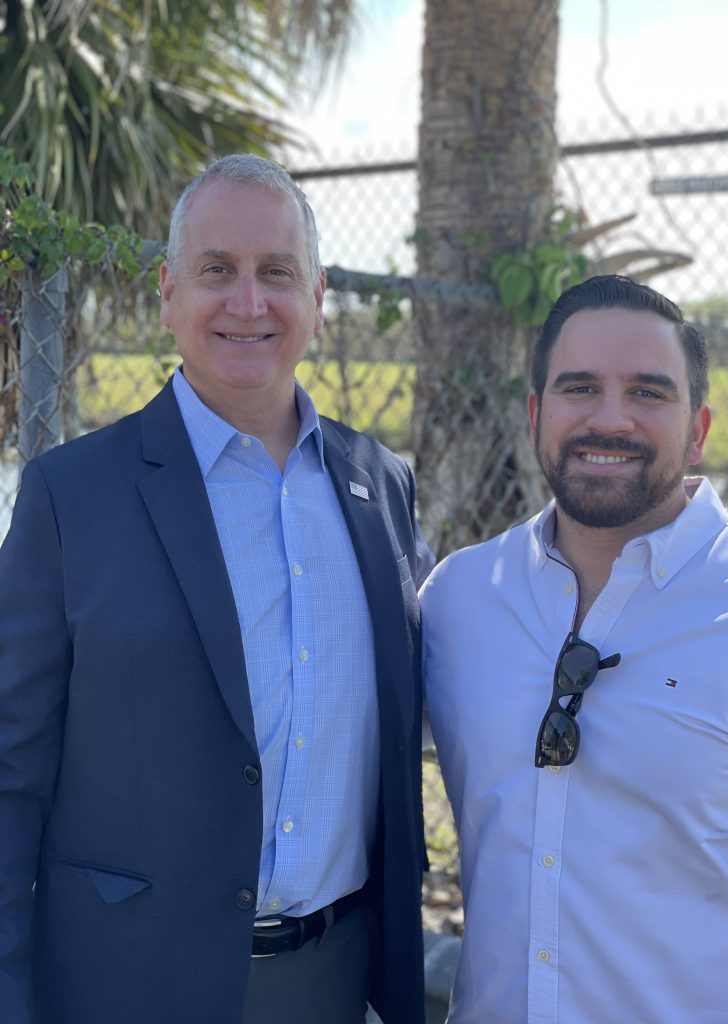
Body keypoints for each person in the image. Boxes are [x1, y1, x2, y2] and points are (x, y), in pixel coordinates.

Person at [0, 154, 433, 1024]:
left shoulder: (379, 483)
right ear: (167, 292)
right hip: (126, 986)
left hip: (332, 981)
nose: (248, 301)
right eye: (216, 271)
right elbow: (10, 776)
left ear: (317, 297)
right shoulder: (69, 496)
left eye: (277, 272)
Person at [420, 274, 728, 1024]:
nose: (610, 418)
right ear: (538, 414)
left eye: (648, 392)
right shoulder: (459, 599)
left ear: (699, 427)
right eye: (580, 388)